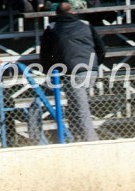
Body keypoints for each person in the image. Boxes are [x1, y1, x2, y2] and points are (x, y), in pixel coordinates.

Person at [40, 2, 106, 143]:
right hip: (91, 71)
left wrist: (50, 72)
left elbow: (45, 55)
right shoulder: (86, 25)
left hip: (72, 72)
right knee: (75, 105)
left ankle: (92, 141)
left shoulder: (52, 28)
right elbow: (101, 49)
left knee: (81, 109)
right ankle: (76, 137)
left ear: (56, 14)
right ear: (74, 12)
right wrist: (94, 65)